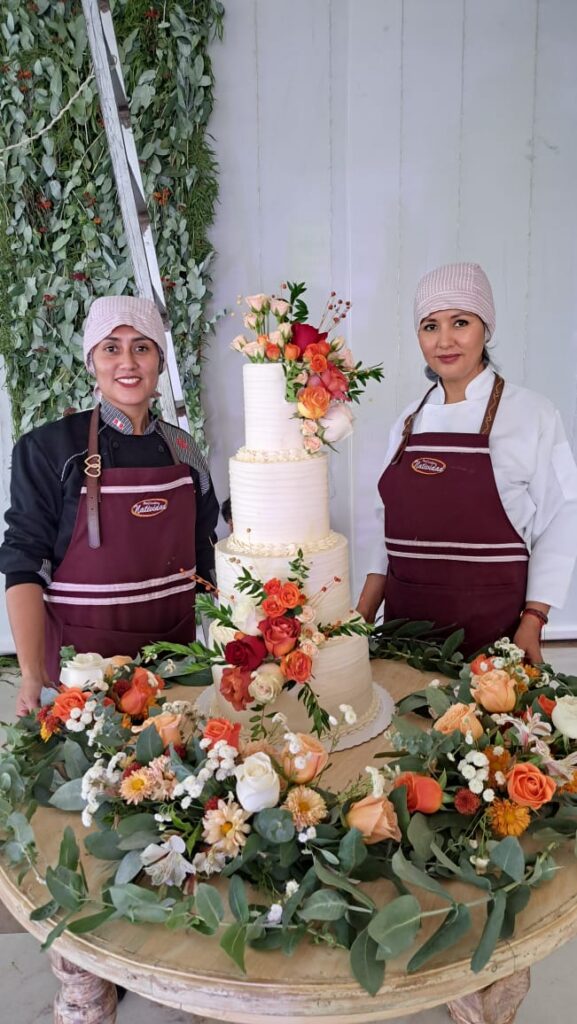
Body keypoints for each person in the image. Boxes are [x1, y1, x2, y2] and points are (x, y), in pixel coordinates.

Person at [0, 295, 219, 715]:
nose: (128, 363)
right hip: (81, 683)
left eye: (141, 347)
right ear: (91, 362)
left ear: (159, 359)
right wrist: (31, 675)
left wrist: (226, 656)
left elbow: (205, 562)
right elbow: (25, 566)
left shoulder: (185, 452)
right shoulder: (47, 450)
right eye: (111, 348)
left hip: (174, 672)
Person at [357, 262, 577, 662]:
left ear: (485, 328)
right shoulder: (408, 421)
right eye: (430, 326)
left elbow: (562, 519)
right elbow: (384, 530)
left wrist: (534, 619)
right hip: (404, 636)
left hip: (495, 636)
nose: (444, 341)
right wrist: (363, 614)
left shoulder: (533, 415)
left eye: (460, 322)